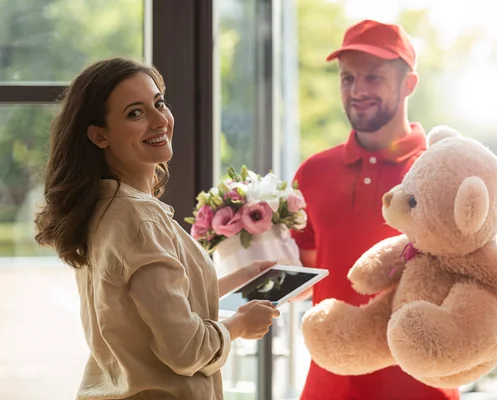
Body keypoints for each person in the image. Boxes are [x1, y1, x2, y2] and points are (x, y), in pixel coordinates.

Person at [33, 57, 279, 400]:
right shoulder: (138, 220)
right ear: (99, 135)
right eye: (135, 113)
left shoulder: (105, 208)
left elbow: (153, 307)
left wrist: (240, 279)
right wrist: (240, 324)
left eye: (159, 103)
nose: (159, 120)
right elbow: (186, 349)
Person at [292, 20, 461, 400]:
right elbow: (302, 273)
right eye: (347, 78)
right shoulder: (313, 173)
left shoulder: (441, 171)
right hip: (328, 386)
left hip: (424, 388)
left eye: (373, 77)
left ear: (409, 84)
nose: (357, 90)